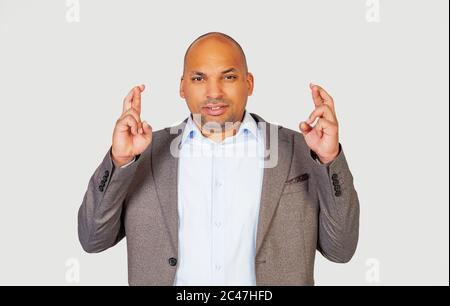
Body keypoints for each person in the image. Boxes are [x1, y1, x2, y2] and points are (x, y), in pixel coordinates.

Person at [78, 32, 360, 286]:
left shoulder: (301, 149)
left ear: (248, 83)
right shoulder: (142, 153)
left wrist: (328, 158)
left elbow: (341, 250)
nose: (214, 93)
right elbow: (93, 240)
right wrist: (120, 161)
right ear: (182, 87)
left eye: (229, 77)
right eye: (199, 78)